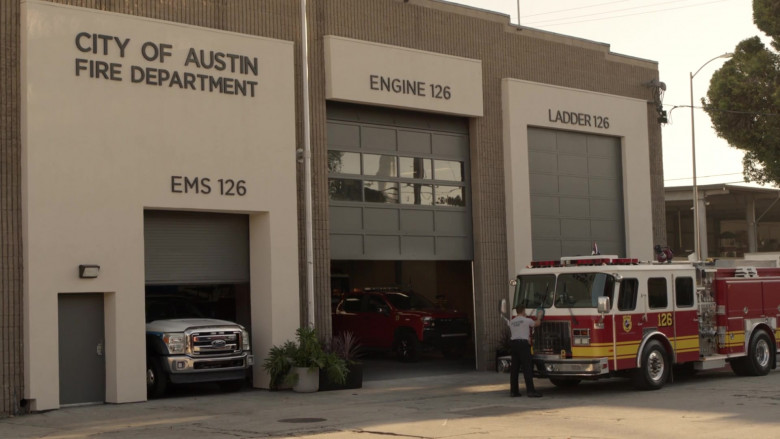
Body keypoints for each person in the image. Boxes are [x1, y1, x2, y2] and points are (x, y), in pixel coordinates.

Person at [503, 305, 543, 397]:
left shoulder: (512, 322)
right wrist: (539, 316)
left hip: (513, 345)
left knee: (514, 369)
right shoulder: (526, 320)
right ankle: (530, 391)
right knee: (527, 368)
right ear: (523, 311)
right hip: (523, 345)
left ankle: (513, 391)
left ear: (517, 311)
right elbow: (537, 324)